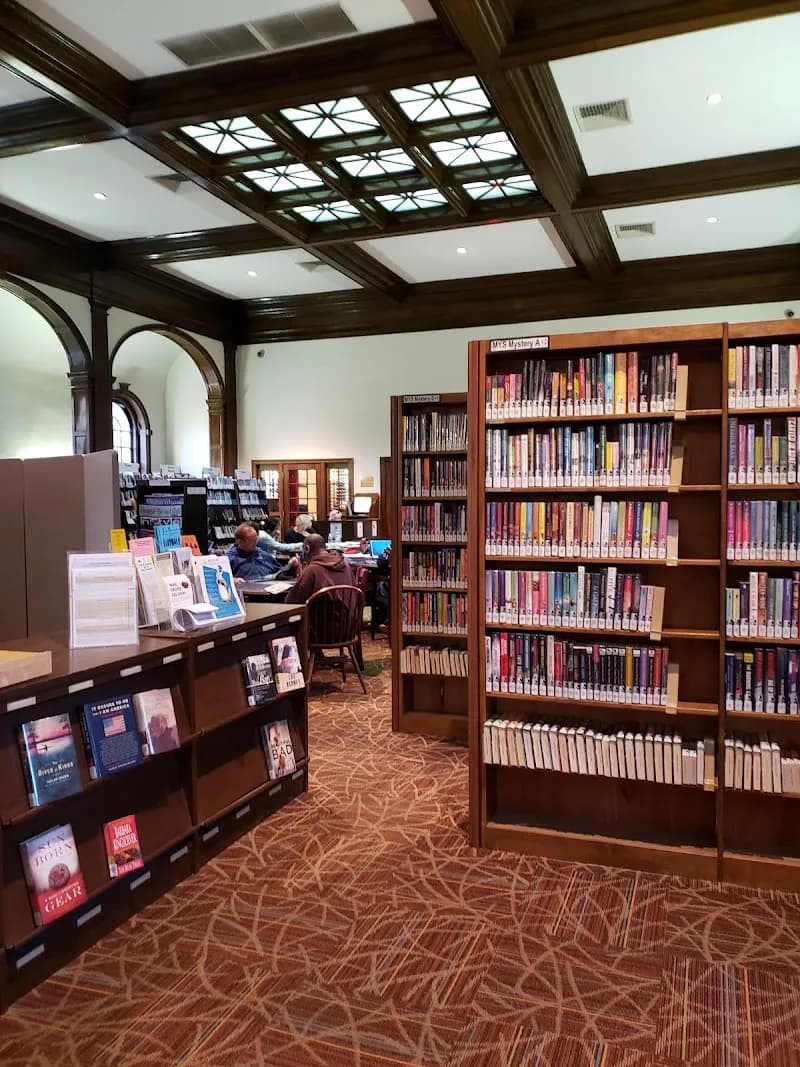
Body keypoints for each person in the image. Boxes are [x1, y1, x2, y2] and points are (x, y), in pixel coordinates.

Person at [285, 533, 354, 603]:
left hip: (320, 614)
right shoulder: (346, 565)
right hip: (350, 613)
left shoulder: (312, 570)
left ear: (307, 549)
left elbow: (291, 600)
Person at [228, 523, 299, 582]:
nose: (256, 543)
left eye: (256, 540)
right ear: (240, 541)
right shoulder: (231, 558)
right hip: (248, 593)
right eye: (252, 541)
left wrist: (291, 566)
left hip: (270, 589)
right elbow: (220, 580)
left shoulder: (262, 553)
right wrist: (233, 580)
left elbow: (280, 572)